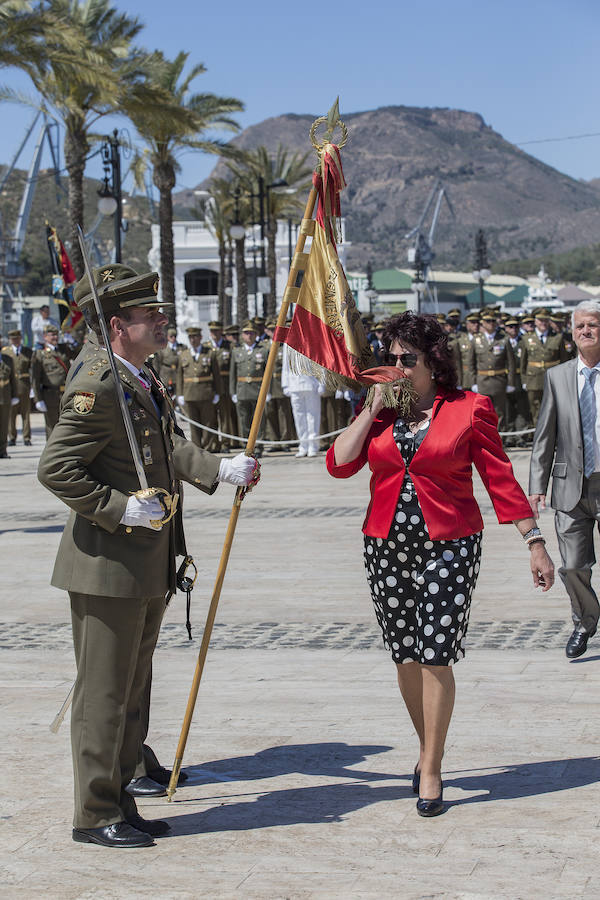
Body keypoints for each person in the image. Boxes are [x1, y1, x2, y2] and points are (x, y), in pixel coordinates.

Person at [37, 263, 259, 849]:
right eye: (150, 316)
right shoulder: (98, 383)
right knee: (104, 695)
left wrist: (218, 468)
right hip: (108, 564)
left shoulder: (137, 374)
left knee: (131, 688)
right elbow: (55, 467)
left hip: (146, 562)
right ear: (117, 327)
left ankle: (120, 795)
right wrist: (116, 507)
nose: (163, 321)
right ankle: (93, 814)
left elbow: (166, 444)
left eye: (161, 313)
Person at [327, 312, 553, 817]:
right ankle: (426, 745)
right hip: (386, 544)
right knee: (404, 654)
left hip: (449, 544)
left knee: (436, 653)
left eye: (408, 359)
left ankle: (431, 763)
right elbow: (339, 463)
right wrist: (370, 410)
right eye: (391, 358)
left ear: (434, 363)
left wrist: (534, 541)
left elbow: (500, 480)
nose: (397, 367)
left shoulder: (471, 409)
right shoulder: (384, 413)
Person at [529, 300, 600, 659]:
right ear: (571, 334)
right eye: (579, 327)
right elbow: (545, 433)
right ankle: (585, 622)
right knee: (573, 565)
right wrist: (536, 484)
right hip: (570, 486)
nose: (586, 331)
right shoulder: (558, 376)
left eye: (593, 325)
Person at [468, 311, 516, 437]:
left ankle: (499, 438)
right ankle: (485, 437)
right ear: (482, 323)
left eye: (493, 321)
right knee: (483, 412)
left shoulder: (504, 339)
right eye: (488, 321)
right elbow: (471, 363)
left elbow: (511, 363)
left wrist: (511, 382)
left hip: (499, 381)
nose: (491, 324)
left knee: (500, 412)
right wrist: (473, 382)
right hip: (482, 381)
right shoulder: (476, 340)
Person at [521, 308, 571, 427]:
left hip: (553, 378)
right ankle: (538, 435)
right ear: (535, 321)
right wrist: (524, 380)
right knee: (535, 408)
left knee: (554, 407)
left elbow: (564, 361)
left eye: (545, 320)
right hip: (533, 379)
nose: (543, 323)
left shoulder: (557, 337)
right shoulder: (527, 338)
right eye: (540, 320)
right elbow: (523, 362)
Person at [176, 326, 221, 452]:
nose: (193, 340)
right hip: (189, 394)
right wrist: (179, 394)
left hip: (206, 393)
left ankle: (208, 448)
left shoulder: (209, 353)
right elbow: (179, 376)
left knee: (207, 423)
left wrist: (218, 392)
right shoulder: (183, 355)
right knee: (194, 424)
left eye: (195, 337)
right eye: (190, 337)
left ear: (200, 337)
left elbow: (216, 376)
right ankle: (197, 449)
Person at [229, 320, 269, 453]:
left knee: (258, 421)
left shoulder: (263, 350)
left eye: (252, 333)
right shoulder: (237, 351)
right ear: (242, 335)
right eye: (246, 333)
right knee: (244, 420)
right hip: (242, 390)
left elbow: (267, 372)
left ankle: (258, 446)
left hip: (258, 390)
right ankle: (247, 446)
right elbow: (232, 374)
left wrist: (267, 391)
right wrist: (233, 391)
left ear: (256, 334)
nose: (249, 336)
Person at [281, 345, 321, 458]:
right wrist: (285, 384)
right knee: (299, 418)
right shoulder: (287, 344)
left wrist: (322, 382)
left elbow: (320, 361)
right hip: (294, 385)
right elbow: (286, 365)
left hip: (311, 384)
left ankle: (313, 445)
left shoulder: (312, 338)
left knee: (313, 416)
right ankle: (303, 445)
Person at [31, 324, 71, 437]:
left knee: (67, 427)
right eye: (52, 335)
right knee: (52, 428)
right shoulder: (40, 354)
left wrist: (74, 341)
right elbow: (35, 379)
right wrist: (38, 400)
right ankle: (53, 453)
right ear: (45, 337)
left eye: (56, 335)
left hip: (65, 395)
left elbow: (79, 352)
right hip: (50, 396)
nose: (55, 337)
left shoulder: (63, 349)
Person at [3, 328, 30, 447]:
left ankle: (26, 437)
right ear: (10, 340)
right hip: (11, 388)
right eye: (13, 339)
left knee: (26, 413)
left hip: (24, 386)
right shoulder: (6, 353)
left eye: (17, 339)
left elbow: (32, 369)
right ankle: (12, 437)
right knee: (11, 414)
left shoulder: (27, 351)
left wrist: (33, 388)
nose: (16, 341)